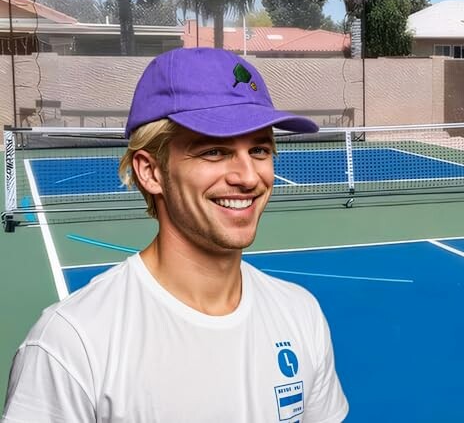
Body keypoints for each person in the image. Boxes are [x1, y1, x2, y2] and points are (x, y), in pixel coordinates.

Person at [2, 47, 348, 422]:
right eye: (215, 151)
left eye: (260, 149)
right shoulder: (70, 346)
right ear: (150, 171)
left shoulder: (301, 314)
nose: (249, 177)